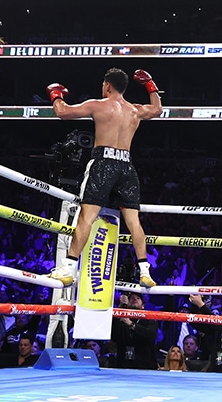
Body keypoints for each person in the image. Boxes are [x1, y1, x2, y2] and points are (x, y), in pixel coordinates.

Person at [46, 68, 163, 288]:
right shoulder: (134, 110)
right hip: (127, 167)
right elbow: (157, 109)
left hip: (103, 164)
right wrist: (150, 85)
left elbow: (62, 112)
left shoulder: (98, 105)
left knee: (86, 217)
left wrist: (56, 94)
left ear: (107, 85)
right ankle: (145, 272)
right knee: (133, 221)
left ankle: (68, 268)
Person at [110, 292, 159, 370]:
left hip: (145, 366)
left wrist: (131, 324)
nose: (135, 299)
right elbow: (113, 336)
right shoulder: (121, 319)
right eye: (132, 298)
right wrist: (120, 308)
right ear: (128, 304)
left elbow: (151, 335)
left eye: (138, 298)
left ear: (143, 306)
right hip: (124, 365)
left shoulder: (149, 320)